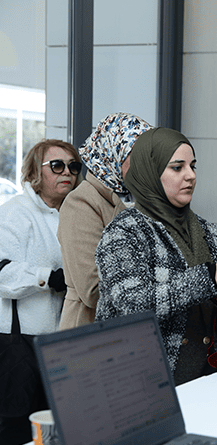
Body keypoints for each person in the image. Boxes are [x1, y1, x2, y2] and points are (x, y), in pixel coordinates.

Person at [95, 127, 217, 385]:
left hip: (203, 379)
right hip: (142, 382)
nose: (190, 175)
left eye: (193, 166)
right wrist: (209, 277)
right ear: (150, 172)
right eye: (177, 167)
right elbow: (131, 305)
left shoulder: (203, 228)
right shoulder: (124, 231)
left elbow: (212, 312)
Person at [0, 139, 81, 445]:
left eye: (73, 166)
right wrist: (48, 278)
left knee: (58, 425)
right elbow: (3, 273)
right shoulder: (15, 213)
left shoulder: (73, 215)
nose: (67, 172)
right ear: (35, 171)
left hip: (61, 341)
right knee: (18, 430)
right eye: (57, 165)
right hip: (19, 342)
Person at [58, 112, 152, 330]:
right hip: (91, 332)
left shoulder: (136, 198)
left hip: (126, 330)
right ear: (112, 153)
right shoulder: (81, 202)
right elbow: (92, 290)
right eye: (136, 154)